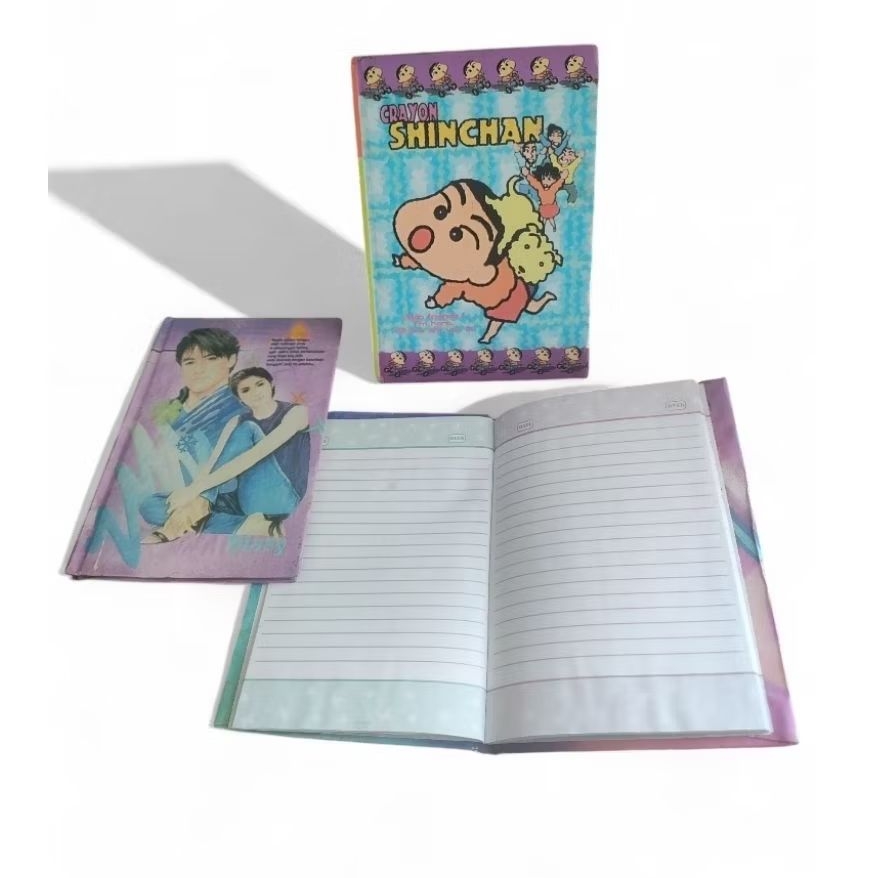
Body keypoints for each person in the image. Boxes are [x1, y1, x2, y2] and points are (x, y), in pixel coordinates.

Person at [161, 367, 310, 538]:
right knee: (154, 505)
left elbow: (254, 456)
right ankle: (256, 526)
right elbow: (213, 462)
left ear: (271, 385)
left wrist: (196, 490)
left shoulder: (297, 412)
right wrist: (191, 492)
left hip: (282, 499)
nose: (255, 392)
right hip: (245, 500)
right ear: (240, 398)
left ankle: (200, 513)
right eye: (246, 390)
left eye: (260, 384)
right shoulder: (236, 420)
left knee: (247, 429)